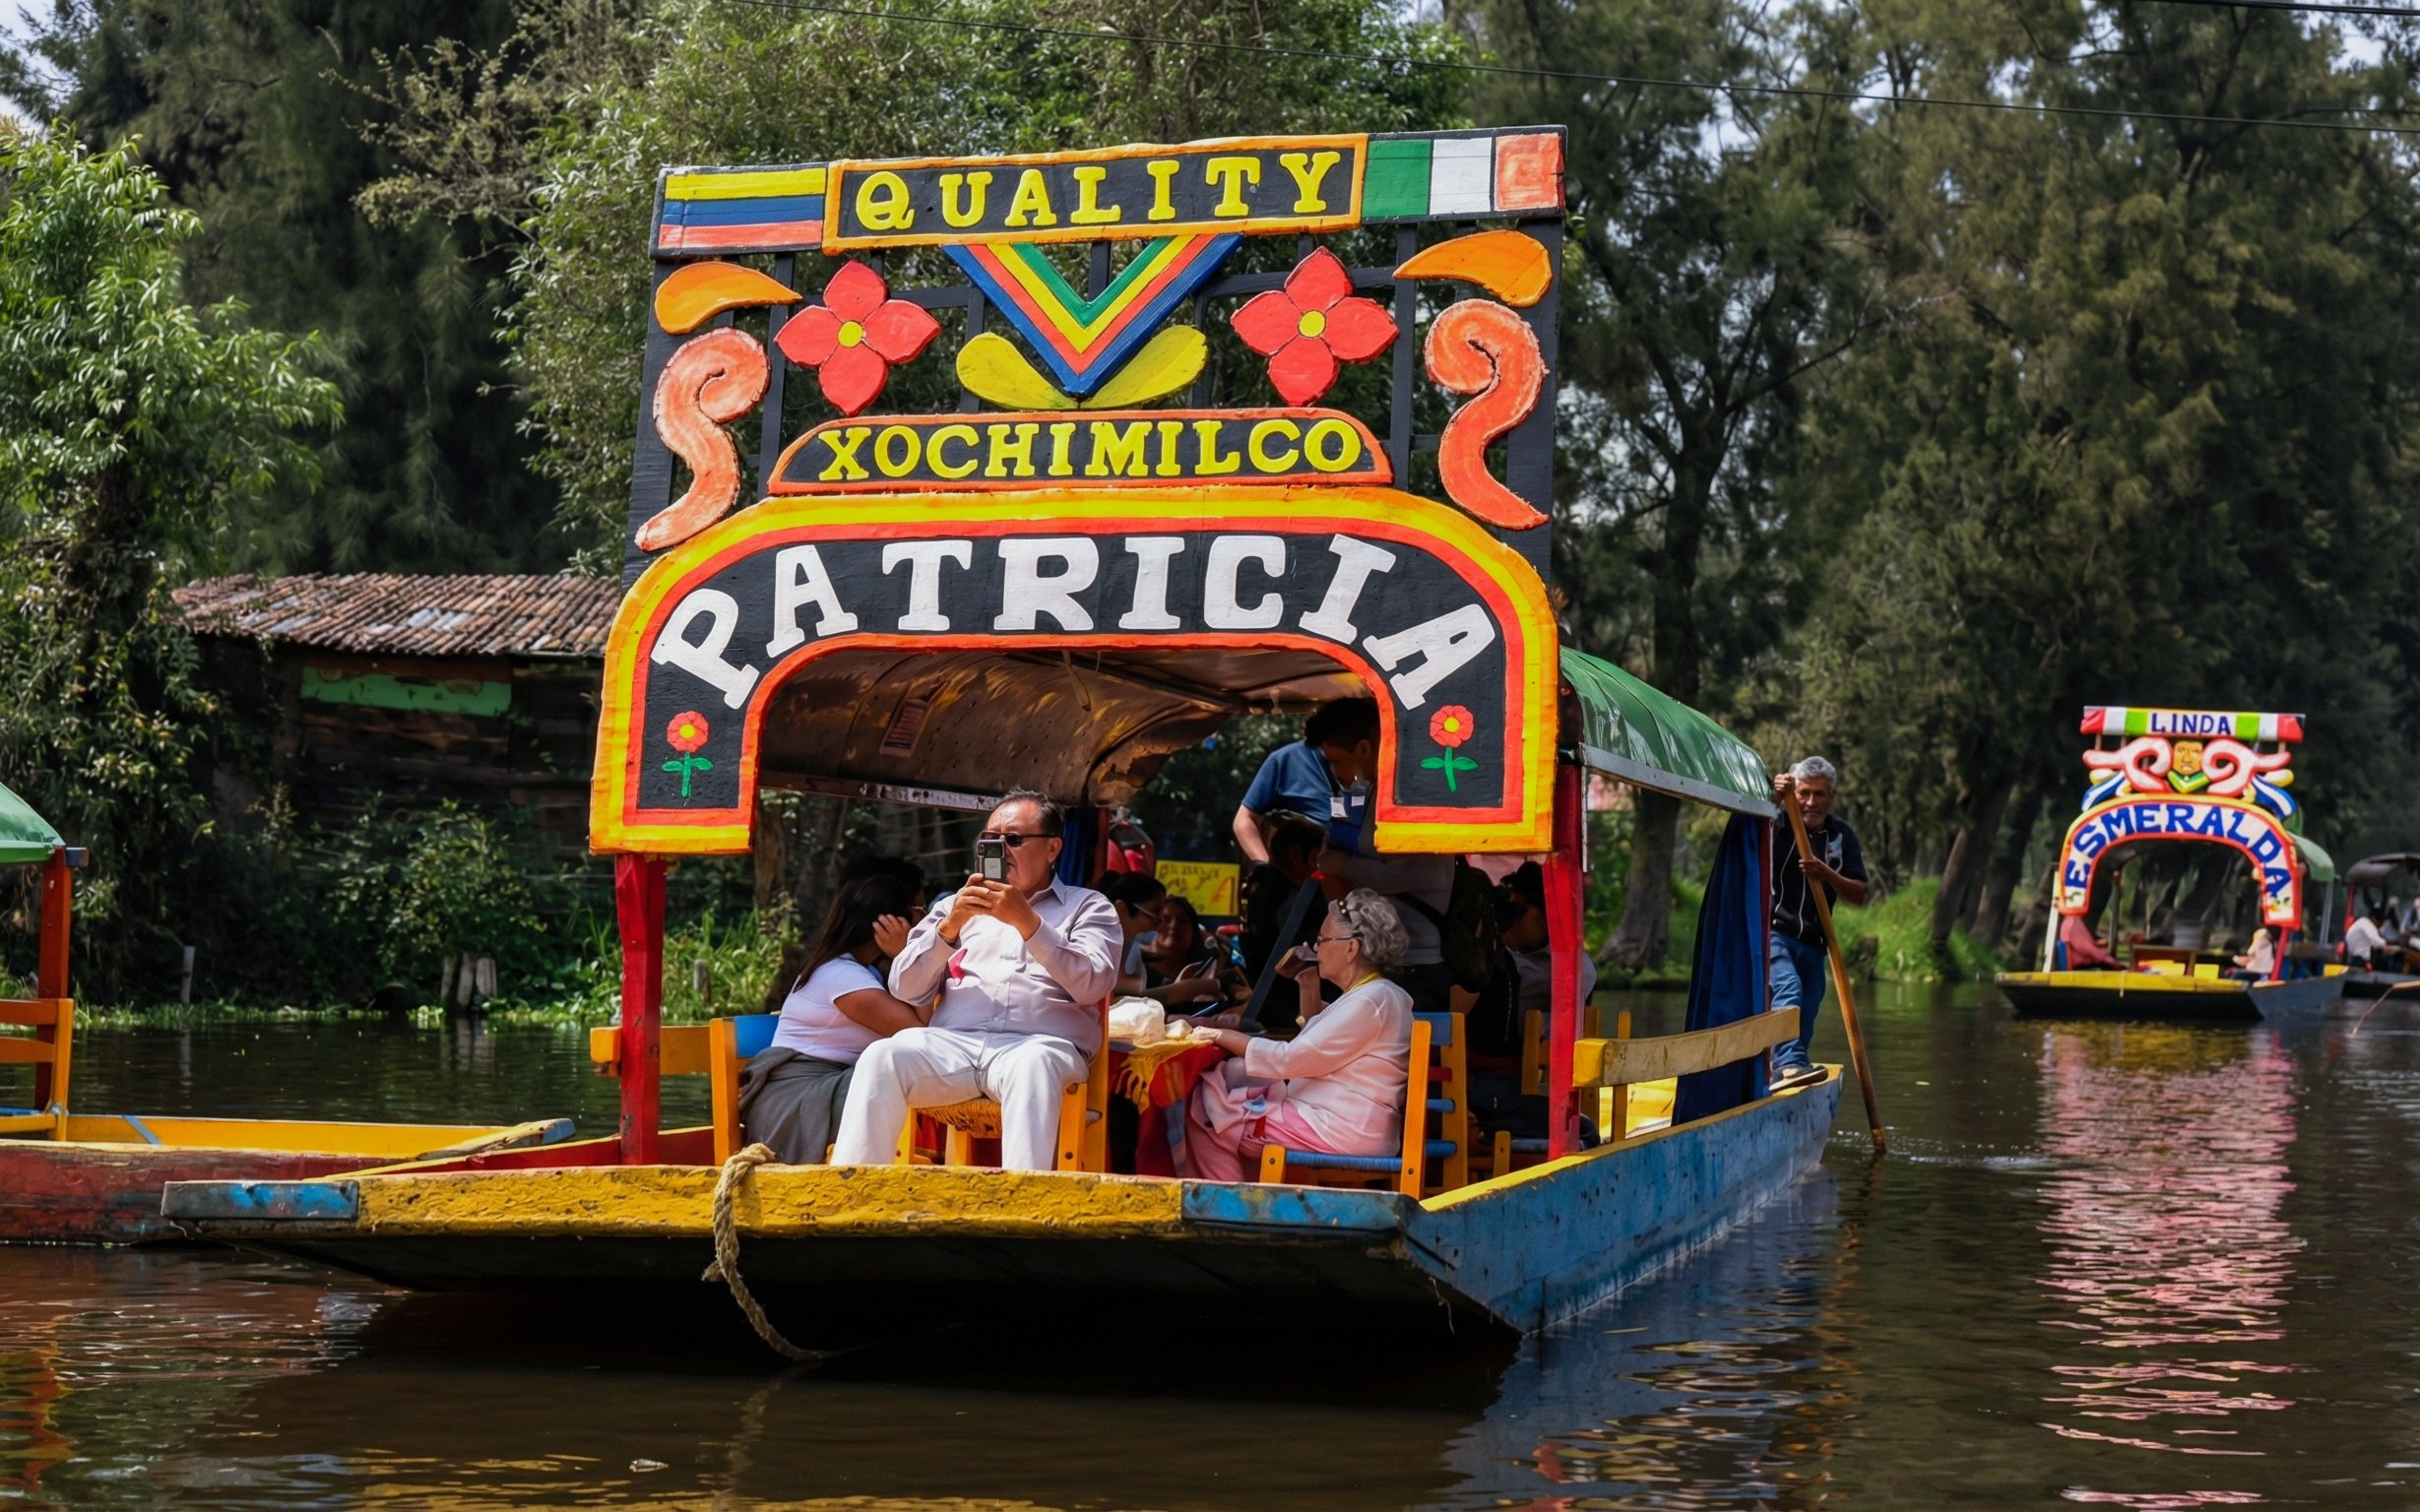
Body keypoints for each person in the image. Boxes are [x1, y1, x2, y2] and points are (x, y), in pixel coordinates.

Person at [828, 790, 1120, 1171]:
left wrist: (1027, 922)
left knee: (1033, 1065)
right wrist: (950, 928)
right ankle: (854, 1200)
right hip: (955, 1046)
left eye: (1013, 840)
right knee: (882, 1056)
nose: (1000, 850)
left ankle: (1023, 1210)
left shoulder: (1089, 906)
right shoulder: (953, 906)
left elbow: (1093, 985)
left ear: (1052, 848)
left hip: (1040, 1046)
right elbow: (905, 987)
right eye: (990, 841)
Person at [1182, 889, 1415, 1182]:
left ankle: (1229, 1207)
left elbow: (1289, 1059)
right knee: (1225, 1094)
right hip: (1351, 1124)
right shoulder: (1376, 996)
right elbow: (1317, 1038)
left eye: (1322, 940)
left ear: (1351, 949)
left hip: (1341, 1129)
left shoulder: (1370, 1000)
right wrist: (1307, 982)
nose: (1315, 949)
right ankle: (1250, 1203)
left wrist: (1215, 1033)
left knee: (1207, 1114)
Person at [738, 874, 929, 1164]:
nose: (926, 923)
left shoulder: (864, 973)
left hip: (827, 1087)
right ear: (888, 923)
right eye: (919, 914)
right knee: (889, 1074)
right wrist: (911, 954)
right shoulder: (842, 977)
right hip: (796, 1100)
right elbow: (923, 1034)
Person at [1769, 756, 1869, 1086]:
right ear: (1793, 795)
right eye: (1804, 794)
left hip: (1815, 943)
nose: (1811, 802)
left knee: (1807, 1015)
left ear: (1832, 797)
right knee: (1788, 991)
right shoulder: (1776, 823)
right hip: (1776, 933)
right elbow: (1747, 825)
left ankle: (1784, 1069)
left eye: (1820, 795)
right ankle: (1790, 1063)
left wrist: (1826, 874)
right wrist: (1773, 795)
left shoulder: (1841, 836)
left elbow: (1859, 893)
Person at [1231, 698, 1379, 864]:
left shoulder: (1371, 782)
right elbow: (1243, 820)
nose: (1335, 772)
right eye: (1332, 762)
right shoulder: (1284, 760)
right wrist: (1264, 867)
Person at [1097, 871, 1170, 995]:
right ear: (1121, 909)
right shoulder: (1094, 949)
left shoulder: (1134, 952)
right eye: (1155, 912)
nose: (1162, 923)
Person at [2056, 911, 2122, 971]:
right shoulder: (2073, 922)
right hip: (2080, 965)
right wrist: (2108, 959)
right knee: (2111, 967)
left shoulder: (2070, 920)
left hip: (2082, 962)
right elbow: (2087, 948)